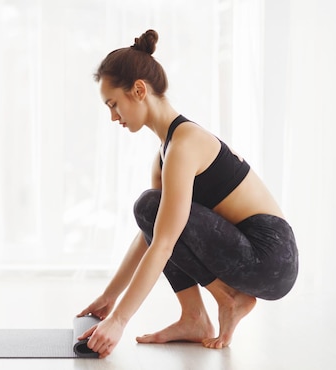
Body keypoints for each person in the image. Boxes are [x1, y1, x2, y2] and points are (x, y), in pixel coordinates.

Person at [77, 29, 298, 359]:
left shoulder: (185, 144)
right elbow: (151, 233)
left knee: (152, 208)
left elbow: (165, 240)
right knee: (151, 211)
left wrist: (120, 321)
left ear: (139, 90)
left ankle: (229, 299)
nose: (113, 117)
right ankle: (194, 318)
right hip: (253, 254)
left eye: (114, 104)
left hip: (270, 258)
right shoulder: (166, 153)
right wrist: (109, 299)